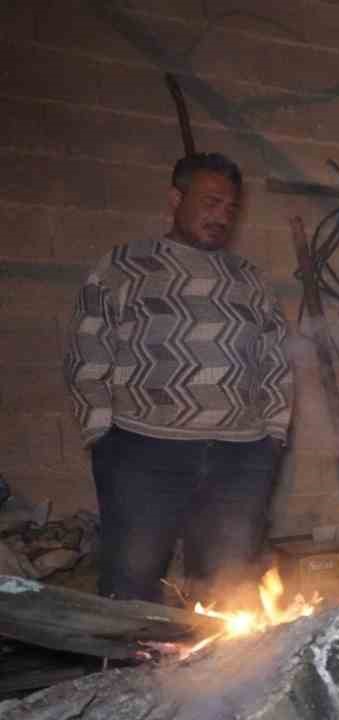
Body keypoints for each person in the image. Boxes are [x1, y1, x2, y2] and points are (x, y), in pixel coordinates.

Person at [65, 152, 292, 608]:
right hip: (143, 451)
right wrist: (100, 434)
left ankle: (216, 680)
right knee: (132, 583)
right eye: (210, 202)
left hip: (240, 458)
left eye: (230, 208)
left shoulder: (250, 280)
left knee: (227, 589)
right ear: (175, 198)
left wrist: (273, 435)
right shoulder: (125, 267)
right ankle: (125, 678)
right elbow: (88, 350)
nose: (221, 217)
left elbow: (277, 362)